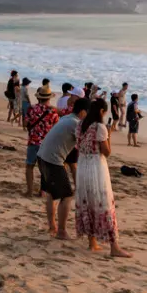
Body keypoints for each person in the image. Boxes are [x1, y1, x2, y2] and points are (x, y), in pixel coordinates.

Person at [75, 99, 130, 258]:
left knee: (88, 202)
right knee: (103, 203)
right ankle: (114, 246)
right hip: (96, 166)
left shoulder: (80, 125)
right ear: (101, 111)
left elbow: (79, 146)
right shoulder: (100, 127)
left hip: (83, 164)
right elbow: (106, 152)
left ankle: (92, 242)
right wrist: (109, 135)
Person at [37, 97, 89, 238]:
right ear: (83, 112)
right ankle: (61, 231)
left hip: (42, 156)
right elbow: (86, 143)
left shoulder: (67, 118)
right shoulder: (76, 124)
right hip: (53, 160)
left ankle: (52, 226)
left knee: (50, 193)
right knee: (67, 196)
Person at [25, 86, 59, 197]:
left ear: (39, 98)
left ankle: (30, 191)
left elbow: (25, 124)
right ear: (49, 98)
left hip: (33, 141)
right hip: (47, 143)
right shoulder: (53, 111)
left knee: (30, 166)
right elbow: (56, 127)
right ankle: (43, 192)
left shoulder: (32, 108)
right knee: (44, 168)